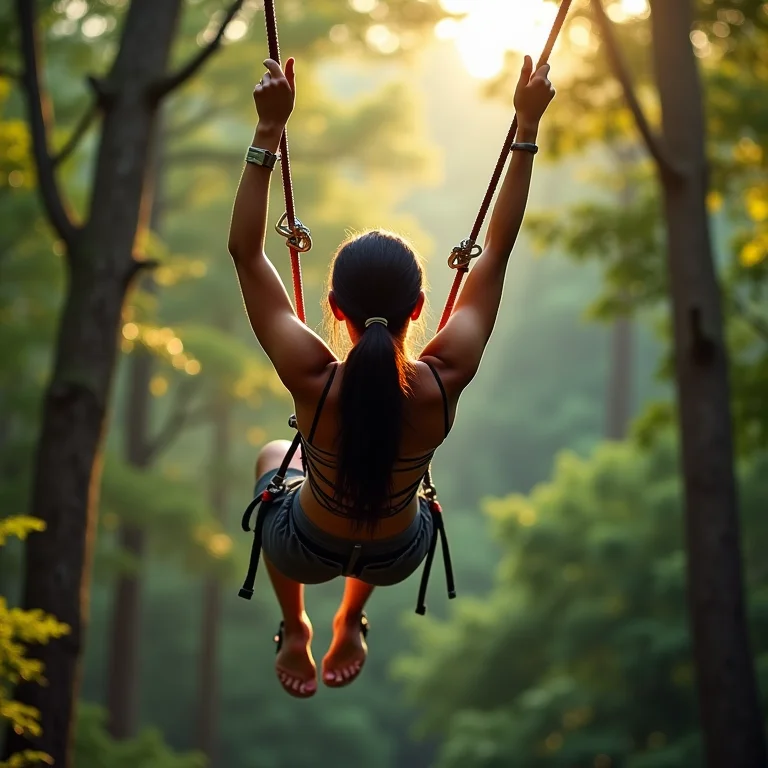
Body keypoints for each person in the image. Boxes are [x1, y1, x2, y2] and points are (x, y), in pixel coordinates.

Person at [227, 54, 556, 698]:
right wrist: (525, 124)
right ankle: (353, 614)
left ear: (334, 310)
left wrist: (268, 131)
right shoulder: (442, 379)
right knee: (404, 493)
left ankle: (296, 624)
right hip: (400, 556)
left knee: (274, 451)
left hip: (305, 547)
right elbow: (498, 250)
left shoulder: (313, 381)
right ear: (418, 307)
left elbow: (245, 251)